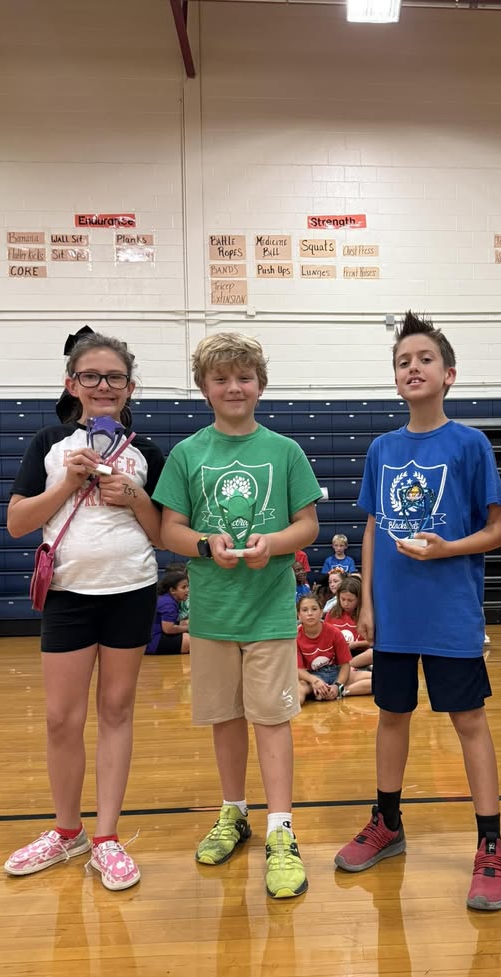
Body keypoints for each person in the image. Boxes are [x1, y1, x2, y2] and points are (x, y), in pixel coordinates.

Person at [334, 311, 501, 912]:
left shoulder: (470, 444)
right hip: (395, 617)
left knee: (469, 723)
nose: (413, 367)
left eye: (425, 359)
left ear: (449, 374)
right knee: (391, 716)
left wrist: (447, 549)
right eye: (403, 361)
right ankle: (387, 823)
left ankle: (491, 844)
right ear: (395, 378)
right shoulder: (383, 447)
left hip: (451, 612)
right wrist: (369, 604)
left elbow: (499, 528)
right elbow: (372, 527)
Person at [153, 331, 322, 900]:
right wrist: (205, 544)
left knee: (272, 721)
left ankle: (281, 831)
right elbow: (168, 528)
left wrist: (272, 543)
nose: (233, 386)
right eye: (221, 378)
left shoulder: (285, 451)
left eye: (243, 377)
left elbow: (309, 525)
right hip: (213, 614)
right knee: (225, 719)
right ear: (204, 388)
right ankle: (234, 812)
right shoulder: (187, 454)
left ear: (260, 384)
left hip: (270, 612)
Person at [3, 328, 165, 891]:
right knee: (60, 719)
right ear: (72, 383)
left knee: (117, 712)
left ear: (129, 387)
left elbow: (163, 534)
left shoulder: (146, 452)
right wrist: (67, 485)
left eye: (114, 377)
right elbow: (18, 522)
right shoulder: (48, 442)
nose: (103, 385)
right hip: (69, 595)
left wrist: (136, 498)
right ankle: (66, 830)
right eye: (91, 376)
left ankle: (107, 837)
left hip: (131, 590)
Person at [296, 593, 372, 701]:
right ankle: (317, 693)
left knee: (379, 681)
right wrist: (315, 681)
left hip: (335, 672)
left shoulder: (334, 632)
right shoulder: (295, 637)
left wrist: (338, 686)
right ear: (298, 614)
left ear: (321, 612)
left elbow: (345, 665)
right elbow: (298, 670)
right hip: (310, 677)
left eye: (314, 609)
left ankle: (341, 692)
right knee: (299, 692)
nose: (310, 613)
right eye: (304, 610)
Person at [146, 571, 190, 655]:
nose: (187, 590)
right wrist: (189, 628)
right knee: (191, 641)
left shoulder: (167, 598)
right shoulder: (168, 603)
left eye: (188, 587)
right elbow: (168, 629)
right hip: (154, 641)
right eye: (183, 587)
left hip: (154, 636)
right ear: (172, 590)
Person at [325, 575, 371, 652]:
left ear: (359, 599)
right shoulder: (332, 613)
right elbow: (325, 636)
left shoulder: (366, 614)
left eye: (350, 600)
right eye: (342, 599)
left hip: (359, 653)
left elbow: (374, 642)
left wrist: (357, 644)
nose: (345, 604)